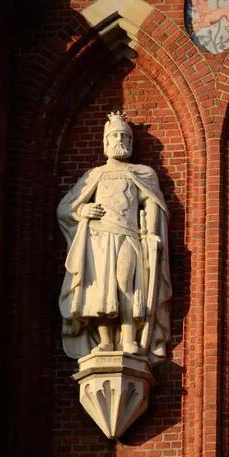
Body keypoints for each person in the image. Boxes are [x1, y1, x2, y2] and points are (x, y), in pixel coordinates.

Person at [57, 111, 171, 363]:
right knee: (102, 288)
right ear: (105, 142)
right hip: (98, 238)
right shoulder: (95, 175)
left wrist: (152, 233)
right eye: (115, 136)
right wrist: (83, 211)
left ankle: (128, 338)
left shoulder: (142, 173)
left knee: (125, 283)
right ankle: (106, 341)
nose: (120, 140)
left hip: (128, 236)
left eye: (125, 136)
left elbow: (152, 202)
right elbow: (66, 208)